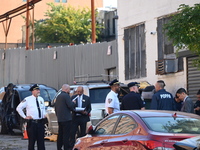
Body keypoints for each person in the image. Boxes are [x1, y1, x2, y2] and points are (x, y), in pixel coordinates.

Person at [16, 84, 46, 150]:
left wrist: (44, 114)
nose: (38, 91)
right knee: (32, 142)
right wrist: (25, 117)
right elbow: (18, 108)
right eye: (37, 90)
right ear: (32, 91)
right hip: (32, 123)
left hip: (40, 123)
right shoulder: (27, 99)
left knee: (41, 142)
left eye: (39, 90)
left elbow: (43, 108)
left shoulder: (41, 99)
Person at [55, 84, 76, 150]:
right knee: (66, 135)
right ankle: (66, 148)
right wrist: (73, 103)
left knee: (60, 134)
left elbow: (56, 107)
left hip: (60, 118)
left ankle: (59, 147)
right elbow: (70, 106)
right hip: (66, 119)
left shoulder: (58, 96)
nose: (69, 90)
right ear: (66, 89)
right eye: (69, 89)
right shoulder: (66, 96)